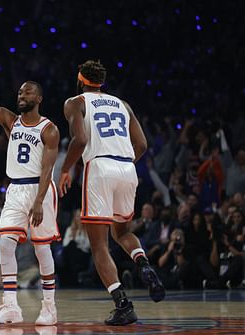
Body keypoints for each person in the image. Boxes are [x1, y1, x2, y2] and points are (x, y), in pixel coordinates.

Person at [58, 60, 165, 325]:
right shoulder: (122, 104)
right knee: (123, 232)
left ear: (81, 79)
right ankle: (142, 263)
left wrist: (65, 170)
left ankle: (123, 304)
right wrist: (125, 165)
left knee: (99, 245)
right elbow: (141, 144)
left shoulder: (75, 102)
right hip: (128, 167)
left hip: (99, 167)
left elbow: (80, 140)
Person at [0, 38, 60, 325]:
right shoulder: (10, 121)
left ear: (38, 98)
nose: (21, 94)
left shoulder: (49, 128)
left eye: (27, 91)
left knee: (42, 247)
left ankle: (49, 307)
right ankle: (11, 307)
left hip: (39, 188)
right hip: (15, 188)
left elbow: (48, 168)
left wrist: (41, 200)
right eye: (20, 91)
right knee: (5, 244)